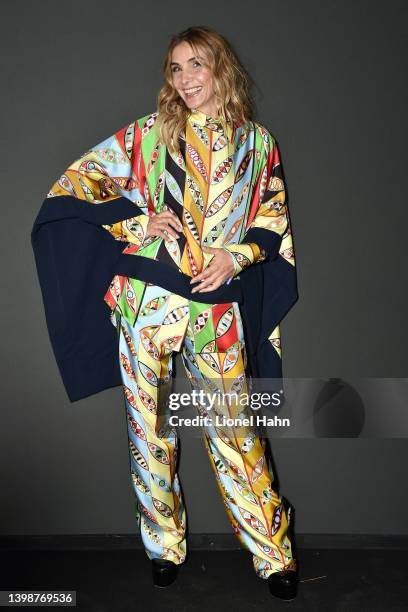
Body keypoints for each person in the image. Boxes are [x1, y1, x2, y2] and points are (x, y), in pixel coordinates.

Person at [31, 26, 299, 599]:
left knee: (235, 429)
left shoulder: (258, 143)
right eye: (175, 69)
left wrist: (235, 256)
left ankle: (274, 556)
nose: (185, 79)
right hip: (145, 301)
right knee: (149, 430)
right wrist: (133, 224)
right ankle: (163, 547)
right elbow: (72, 189)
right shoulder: (148, 136)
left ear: (221, 69)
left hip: (215, 307)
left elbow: (271, 219)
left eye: (196, 64)